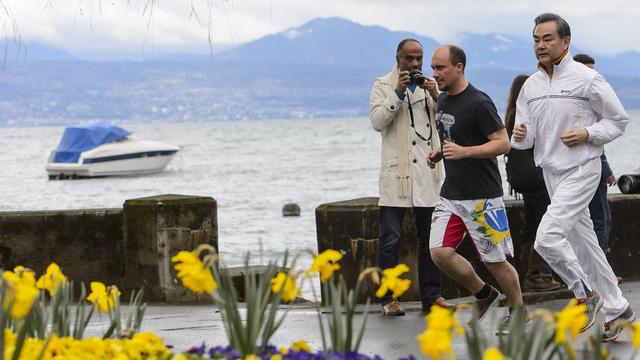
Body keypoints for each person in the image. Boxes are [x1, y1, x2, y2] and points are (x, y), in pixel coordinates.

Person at [512, 13, 635, 342]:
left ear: (565, 42)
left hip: (582, 169)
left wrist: (588, 133)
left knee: (547, 238)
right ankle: (618, 308)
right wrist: (520, 135)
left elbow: (618, 120)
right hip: (551, 173)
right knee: (586, 246)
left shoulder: (587, 79)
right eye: (536, 39)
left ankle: (586, 294)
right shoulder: (531, 86)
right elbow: (523, 139)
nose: (540, 45)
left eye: (547, 39)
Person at [426, 44, 525, 330]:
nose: (435, 73)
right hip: (452, 194)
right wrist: (440, 153)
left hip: (483, 197)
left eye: (441, 67)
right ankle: (484, 294)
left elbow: (502, 143)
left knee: (495, 261)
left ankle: (519, 312)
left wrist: (464, 152)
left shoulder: (479, 102)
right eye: (433, 67)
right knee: (440, 253)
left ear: (459, 67)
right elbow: (454, 138)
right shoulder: (443, 101)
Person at [369, 38, 452, 316]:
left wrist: (438, 94)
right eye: (409, 59)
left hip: (425, 173)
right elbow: (377, 122)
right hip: (397, 175)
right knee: (389, 239)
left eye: (419, 58)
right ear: (398, 58)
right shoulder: (383, 84)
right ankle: (388, 298)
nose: (415, 64)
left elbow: (448, 120)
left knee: (430, 239)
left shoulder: (431, 87)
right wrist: (397, 94)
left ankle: (433, 296)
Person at [503, 75, 562, 292]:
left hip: (520, 179)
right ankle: (536, 275)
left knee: (531, 224)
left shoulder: (510, 117)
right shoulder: (527, 117)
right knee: (542, 225)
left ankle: (527, 274)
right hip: (536, 178)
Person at [572, 54, 622, 283]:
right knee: (600, 221)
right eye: (588, 70)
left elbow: (598, 140)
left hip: (589, 165)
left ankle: (591, 274)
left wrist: (607, 167)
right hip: (587, 169)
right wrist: (606, 169)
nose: (592, 75)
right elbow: (593, 143)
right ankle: (599, 274)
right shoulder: (582, 98)